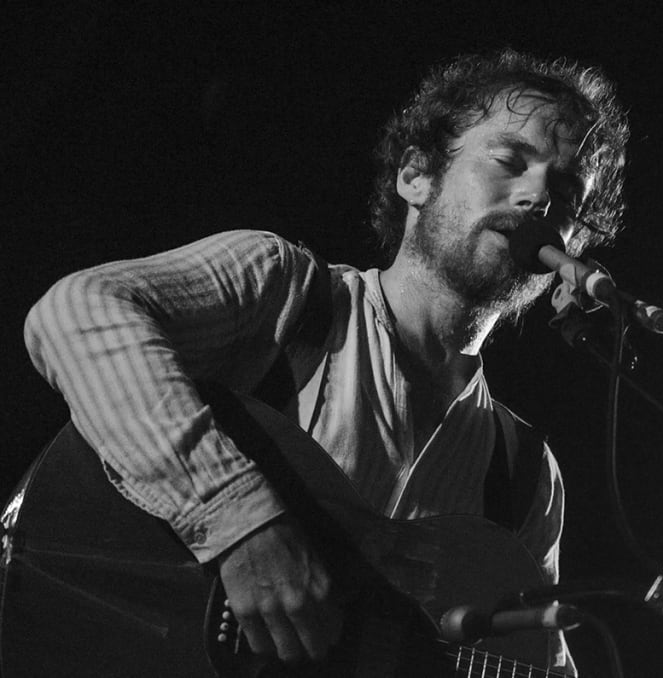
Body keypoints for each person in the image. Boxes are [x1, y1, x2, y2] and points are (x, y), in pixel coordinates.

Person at [23, 49, 628, 673]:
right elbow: (75, 313)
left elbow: (535, 659)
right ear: (416, 175)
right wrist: (243, 525)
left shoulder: (526, 477)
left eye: (565, 191)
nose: (538, 197)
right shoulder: (284, 291)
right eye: (509, 161)